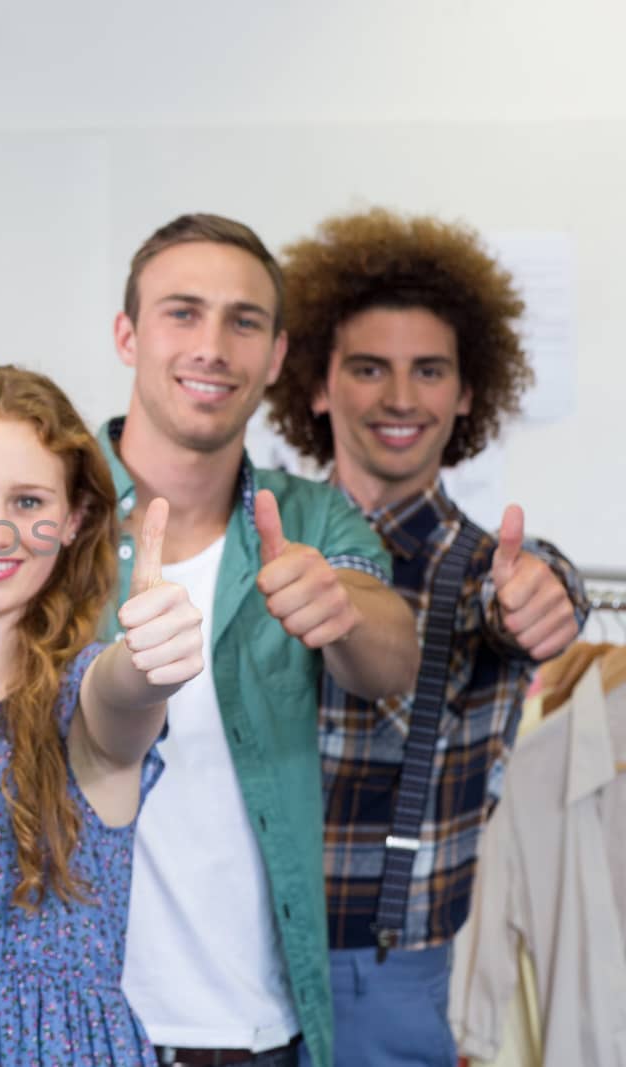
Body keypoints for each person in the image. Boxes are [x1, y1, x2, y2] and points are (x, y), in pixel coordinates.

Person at [265, 208, 589, 1066]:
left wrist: (551, 594)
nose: (401, 398)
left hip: (391, 978)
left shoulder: (491, 570)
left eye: (430, 370)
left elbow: (532, 590)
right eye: (369, 368)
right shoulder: (256, 548)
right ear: (319, 383)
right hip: (233, 966)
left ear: (468, 390)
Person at [102, 213, 420, 1067]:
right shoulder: (43, 508)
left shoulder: (312, 519)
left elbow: (394, 654)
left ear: (276, 357)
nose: (213, 345)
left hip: (261, 1036)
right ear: (127, 333)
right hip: (70, 1026)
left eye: (244, 321)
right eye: (183, 311)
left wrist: (340, 604)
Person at [0, 366, 205, 1066]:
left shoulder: (86, 691)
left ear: (75, 518)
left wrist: (149, 663)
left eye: (27, 501)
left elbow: (121, 701)